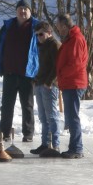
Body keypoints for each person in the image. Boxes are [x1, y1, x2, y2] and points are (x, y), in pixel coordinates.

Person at [0, 0, 40, 142]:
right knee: (7, 105)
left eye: (25, 9)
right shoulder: (8, 26)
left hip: (28, 73)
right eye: (20, 8)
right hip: (10, 72)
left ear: (30, 11)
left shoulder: (36, 26)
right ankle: (4, 133)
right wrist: (0, 61)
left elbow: (45, 46)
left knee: (27, 105)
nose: (23, 11)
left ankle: (28, 134)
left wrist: (39, 68)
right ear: (16, 11)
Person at [55, 14, 88, 159]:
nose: (58, 30)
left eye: (58, 27)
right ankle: (74, 147)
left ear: (64, 26)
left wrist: (60, 75)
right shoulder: (70, 39)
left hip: (74, 83)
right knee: (70, 116)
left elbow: (75, 64)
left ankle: (77, 148)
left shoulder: (75, 39)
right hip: (70, 82)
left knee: (73, 117)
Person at [30, 22, 62, 155]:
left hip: (49, 85)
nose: (39, 37)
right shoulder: (40, 46)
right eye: (37, 35)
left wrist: (49, 82)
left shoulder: (54, 44)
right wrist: (35, 80)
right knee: (43, 117)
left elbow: (57, 67)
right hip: (40, 83)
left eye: (41, 34)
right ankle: (45, 143)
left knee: (52, 116)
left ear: (49, 32)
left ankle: (55, 144)